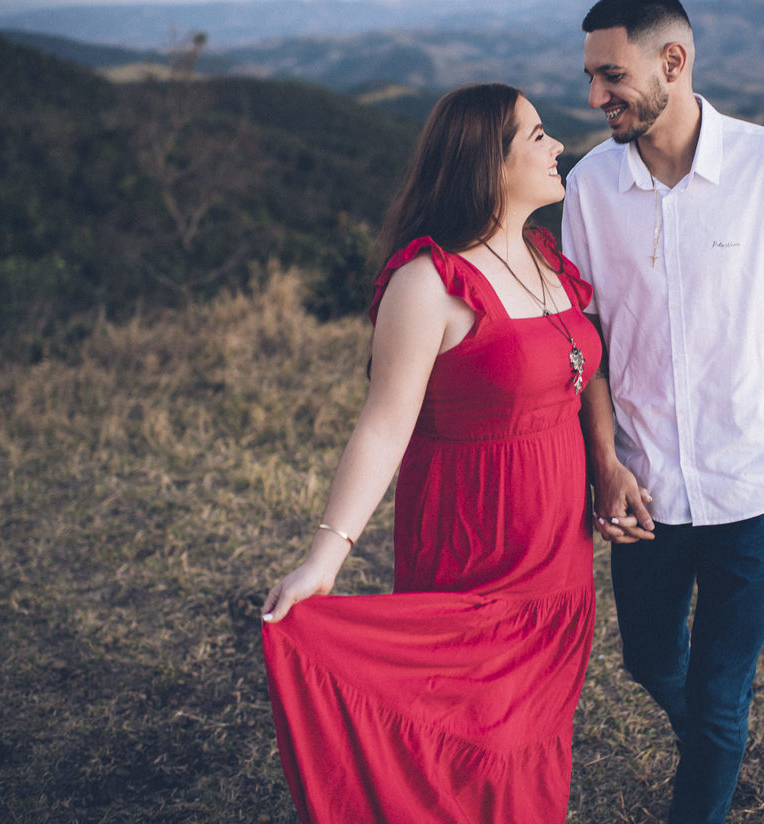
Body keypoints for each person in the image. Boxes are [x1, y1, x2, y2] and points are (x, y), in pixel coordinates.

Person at [260, 83, 602, 822]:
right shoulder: (429, 283)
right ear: (490, 161)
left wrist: (611, 477)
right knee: (468, 733)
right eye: (537, 136)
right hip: (475, 542)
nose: (558, 147)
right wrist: (325, 558)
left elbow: (575, 389)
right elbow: (383, 426)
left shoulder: (549, 264)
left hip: (561, 556)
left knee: (532, 731)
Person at [561, 1, 764, 822]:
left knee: (722, 692)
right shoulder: (589, 186)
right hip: (647, 490)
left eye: (611, 75)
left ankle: (708, 768)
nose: (595, 96)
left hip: (757, 490)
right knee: (651, 663)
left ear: (672, 62)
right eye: (590, 76)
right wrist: (605, 460)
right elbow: (583, 339)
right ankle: (715, 745)